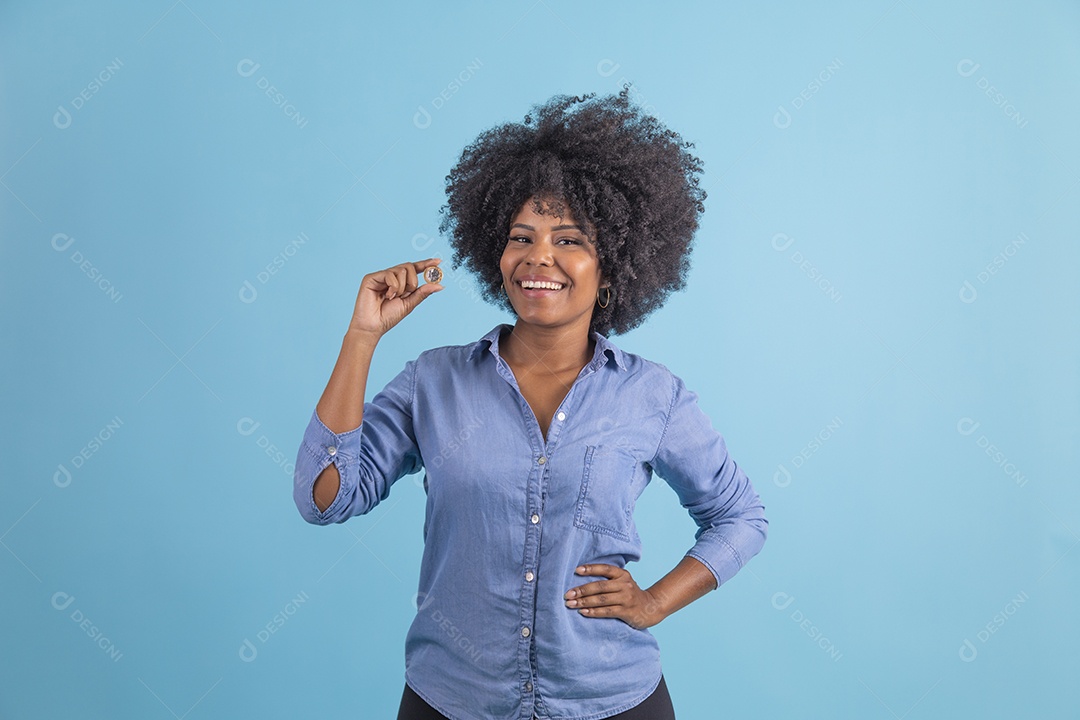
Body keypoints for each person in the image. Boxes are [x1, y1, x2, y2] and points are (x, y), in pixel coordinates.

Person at [293, 88, 768, 720]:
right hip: (452, 700)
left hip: (610, 700)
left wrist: (654, 602)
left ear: (615, 262)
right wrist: (363, 338)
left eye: (569, 238)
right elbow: (326, 499)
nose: (539, 256)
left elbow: (741, 516)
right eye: (522, 236)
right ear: (496, 249)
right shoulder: (432, 382)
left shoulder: (652, 395)